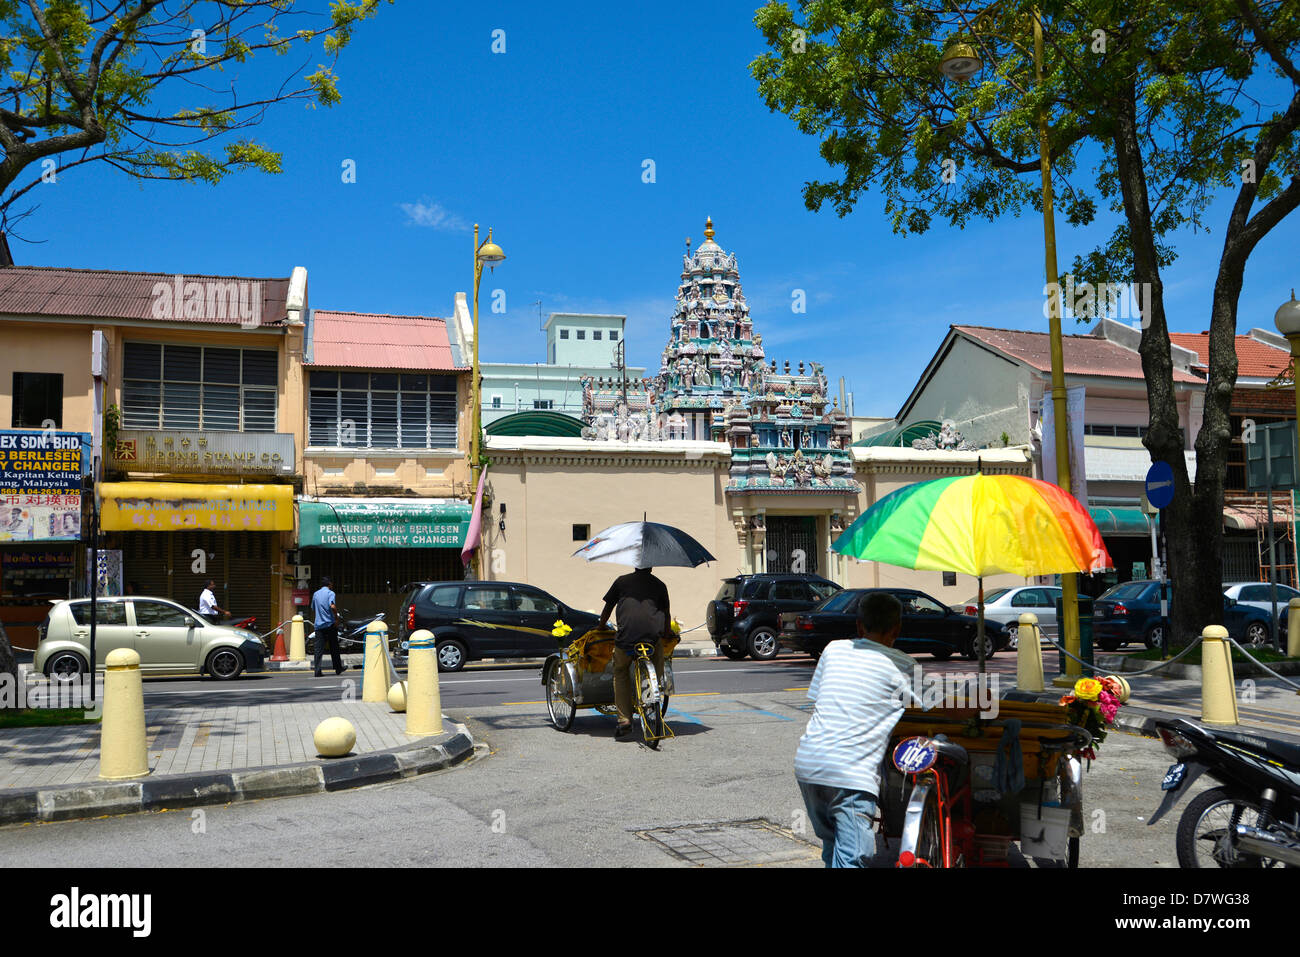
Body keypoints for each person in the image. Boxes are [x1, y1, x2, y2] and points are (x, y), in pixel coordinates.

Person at [794, 591, 917, 868]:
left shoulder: (833, 649)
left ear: (859, 625)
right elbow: (921, 714)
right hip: (850, 776)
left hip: (809, 767)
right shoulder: (905, 664)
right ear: (896, 629)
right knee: (853, 858)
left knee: (833, 846)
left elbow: (821, 699)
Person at [598, 566, 672, 739]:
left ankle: (624, 719)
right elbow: (666, 614)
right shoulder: (660, 585)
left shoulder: (621, 581)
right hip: (652, 639)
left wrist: (601, 627)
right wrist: (667, 634)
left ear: (635, 565)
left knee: (621, 671)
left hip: (625, 639)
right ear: (651, 567)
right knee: (657, 662)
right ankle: (652, 695)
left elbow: (608, 608)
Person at [311, 576, 346, 678]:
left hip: (319, 626)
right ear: (329, 584)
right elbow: (332, 606)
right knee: (334, 647)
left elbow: (313, 608)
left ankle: (317, 671)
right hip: (330, 624)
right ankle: (338, 668)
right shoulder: (331, 593)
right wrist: (336, 618)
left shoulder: (316, 594)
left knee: (318, 650)